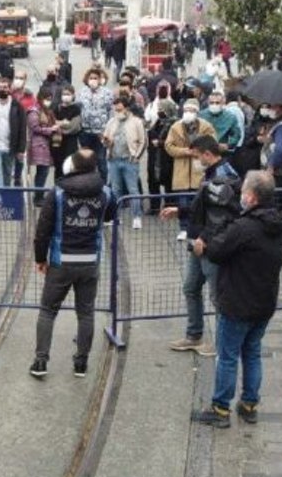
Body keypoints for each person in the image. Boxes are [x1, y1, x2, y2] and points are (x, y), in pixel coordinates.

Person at [198, 170, 282, 428]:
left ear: (251, 196)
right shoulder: (278, 225)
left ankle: (221, 408)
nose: (240, 197)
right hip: (264, 301)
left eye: (243, 192)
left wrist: (202, 246)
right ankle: (249, 404)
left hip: (238, 301)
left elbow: (216, 251)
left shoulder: (245, 227)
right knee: (252, 353)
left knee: (227, 356)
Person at [30, 149, 115, 378]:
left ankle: (40, 361)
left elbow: (43, 230)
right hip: (90, 261)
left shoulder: (57, 193)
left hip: (61, 261)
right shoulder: (106, 192)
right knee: (86, 313)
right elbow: (108, 217)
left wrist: (40, 258)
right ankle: (81, 363)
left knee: (48, 311)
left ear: (72, 166)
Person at [159, 136, 241, 355]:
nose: (195, 160)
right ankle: (194, 336)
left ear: (207, 154)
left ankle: (221, 343)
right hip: (199, 242)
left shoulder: (224, 177)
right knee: (190, 287)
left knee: (217, 296)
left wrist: (203, 238)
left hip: (211, 245)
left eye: (196, 155)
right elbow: (204, 206)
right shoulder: (212, 173)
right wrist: (180, 211)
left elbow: (221, 216)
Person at [103, 95, 148, 228]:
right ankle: (115, 217)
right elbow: (105, 139)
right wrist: (106, 142)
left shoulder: (136, 122)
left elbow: (143, 141)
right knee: (116, 190)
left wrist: (137, 156)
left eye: (120, 109)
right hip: (114, 160)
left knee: (133, 189)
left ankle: (136, 217)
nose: (118, 112)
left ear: (127, 109)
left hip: (129, 160)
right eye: (116, 110)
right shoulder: (111, 122)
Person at [165, 99, 219, 195]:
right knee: (183, 204)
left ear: (197, 112)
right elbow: (168, 146)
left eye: (191, 110)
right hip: (181, 173)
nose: (187, 113)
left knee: (199, 203)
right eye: (186, 110)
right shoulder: (175, 127)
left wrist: (198, 151)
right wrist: (184, 151)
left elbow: (213, 144)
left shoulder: (206, 126)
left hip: (199, 172)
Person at [76, 66, 115, 179]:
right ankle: (87, 184)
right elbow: (77, 109)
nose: (93, 80)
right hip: (85, 132)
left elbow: (111, 112)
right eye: (91, 78)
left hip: (100, 133)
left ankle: (103, 186)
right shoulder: (82, 92)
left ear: (99, 79)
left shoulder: (107, 93)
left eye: (95, 78)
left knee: (101, 161)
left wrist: (108, 131)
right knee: (85, 161)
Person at [27, 92, 59, 193]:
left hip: (46, 144)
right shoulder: (34, 111)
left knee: (43, 171)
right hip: (38, 145)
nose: (48, 101)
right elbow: (35, 128)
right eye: (46, 99)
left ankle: (39, 194)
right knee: (43, 171)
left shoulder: (47, 111)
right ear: (40, 98)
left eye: (50, 99)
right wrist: (51, 130)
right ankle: (38, 194)